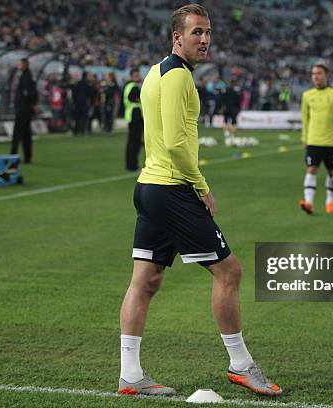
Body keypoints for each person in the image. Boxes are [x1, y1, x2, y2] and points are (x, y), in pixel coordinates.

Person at [118, 4, 282, 397]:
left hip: (150, 186)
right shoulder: (177, 79)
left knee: (145, 280)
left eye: (208, 32)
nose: (205, 39)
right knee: (230, 273)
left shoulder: (155, 73)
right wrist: (201, 186)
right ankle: (241, 365)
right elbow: (175, 144)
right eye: (197, 33)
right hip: (173, 187)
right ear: (178, 37)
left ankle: (130, 375)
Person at [298, 63, 333, 215]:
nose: (316, 76)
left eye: (319, 73)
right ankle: (309, 202)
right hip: (313, 140)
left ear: (326, 75)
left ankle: (330, 201)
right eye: (314, 73)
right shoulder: (307, 95)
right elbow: (305, 118)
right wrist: (304, 137)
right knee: (311, 169)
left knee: (332, 172)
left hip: (331, 141)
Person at [10, 58, 37, 164]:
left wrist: (30, 102)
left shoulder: (25, 76)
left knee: (17, 133)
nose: (18, 65)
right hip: (26, 108)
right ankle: (27, 157)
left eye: (20, 63)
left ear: (25, 65)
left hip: (23, 108)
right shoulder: (28, 75)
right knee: (26, 134)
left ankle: (13, 156)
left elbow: (28, 92)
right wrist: (33, 104)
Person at [123, 68, 143, 171]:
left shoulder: (128, 85)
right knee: (134, 142)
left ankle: (130, 164)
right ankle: (132, 165)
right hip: (134, 115)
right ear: (131, 76)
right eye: (135, 76)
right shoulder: (133, 86)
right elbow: (133, 97)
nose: (137, 77)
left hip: (131, 115)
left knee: (132, 142)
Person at [222, 78, 242, 144]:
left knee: (225, 120)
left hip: (226, 107)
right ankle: (232, 136)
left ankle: (226, 133)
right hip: (234, 108)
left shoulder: (226, 90)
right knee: (234, 122)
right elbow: (239, 100)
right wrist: (239, 108)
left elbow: (222, 99)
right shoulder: (237, 91)